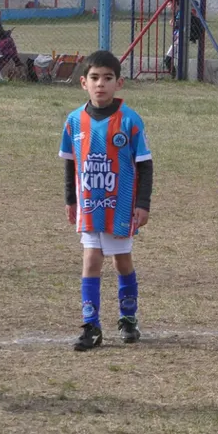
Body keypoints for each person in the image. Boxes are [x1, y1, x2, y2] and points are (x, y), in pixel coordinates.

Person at [60, 52, 154, 350]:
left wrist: (143, 204)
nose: (101, 84)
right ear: (83, 83)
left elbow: (144, 164)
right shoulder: (74, 121)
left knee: (122, 261)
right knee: (91, 259)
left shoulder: (130, 121)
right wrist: (70, 200)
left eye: (108, 78)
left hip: (121, 205)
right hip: (89, 205)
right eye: (95, 78)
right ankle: (91, 325)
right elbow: (69, 163)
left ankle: (128, 318)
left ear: (119, 83)